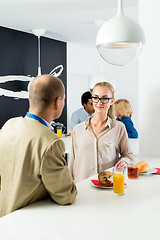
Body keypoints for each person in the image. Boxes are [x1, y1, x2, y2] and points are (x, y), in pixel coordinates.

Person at [0, 74, 77, 217]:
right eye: (64, 100)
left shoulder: (8, 126)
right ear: (57, 102)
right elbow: (66, 195)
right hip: (27, 222)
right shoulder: (51, 142)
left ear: (30, 99)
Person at [69, 82, 134, 183]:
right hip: (81, 187)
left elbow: (128, 155)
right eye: (95, 97)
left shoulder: (118, 128)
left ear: (112, 101)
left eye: (104, 98)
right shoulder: (78, 129)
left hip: (107, 187)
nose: (99, 102)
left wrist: (124, 161)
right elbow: (72, 162)